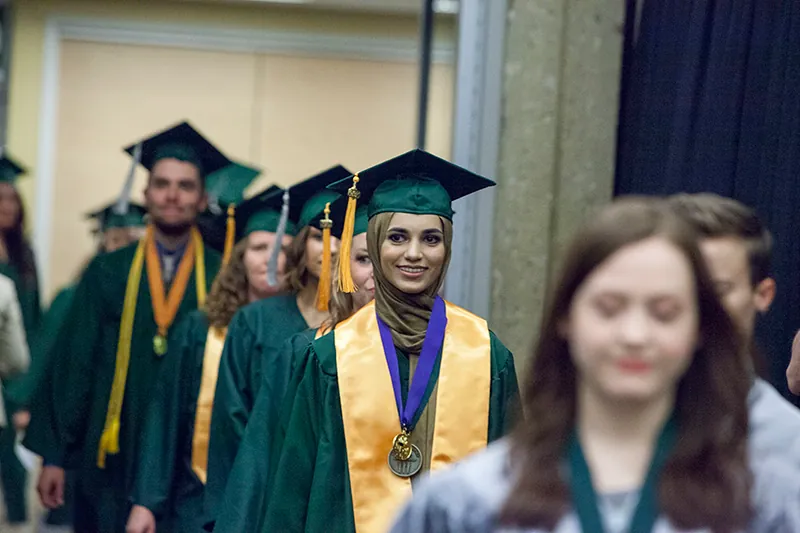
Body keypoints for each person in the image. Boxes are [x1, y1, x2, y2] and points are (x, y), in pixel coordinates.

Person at [389, 198, 800, 533]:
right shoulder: (464, 505)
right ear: (566, 317)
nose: (635, 334)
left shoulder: (763, 506)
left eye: (665, 312)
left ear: (699, 328)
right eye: (608, 308)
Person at [261, 149, 520, 533]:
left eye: (431, 238)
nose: (414, 254)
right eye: (397, 237)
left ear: (447, 248)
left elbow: (513, 484)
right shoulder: (330, 357)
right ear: (377, 243)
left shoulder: (486, 354)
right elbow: (291, 491)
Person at [34, 121, 226, 532]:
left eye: (185, 186)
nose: (172, 195)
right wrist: (54, 456)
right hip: (109, 452)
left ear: (202, 198)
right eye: (162, 184)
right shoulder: (108, 271)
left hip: (188, 459)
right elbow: (75, 364)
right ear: (146, 195)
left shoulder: (221, 276)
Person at [126, 182, 293, 533]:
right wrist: (146, 500)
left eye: (282, 249)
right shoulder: (201, 328)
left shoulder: (307, 333)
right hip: (195, 497)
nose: (270, 257)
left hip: (274, 499)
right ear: (240, 256)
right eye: (259, 247)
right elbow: (165, 414)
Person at [211, 204, 374, 533]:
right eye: (320, 236)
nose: (330, 248)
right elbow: (245, 431)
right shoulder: (291, 340)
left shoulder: (373, 341)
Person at [23, 195, 147, 530]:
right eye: (118, 238)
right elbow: (55, 363)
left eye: (134, 239)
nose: (125, 245)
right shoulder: (76, 295)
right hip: (89, 432)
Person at [668, 193, 800, 464]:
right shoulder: (576, 430)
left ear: (762, 294)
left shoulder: (787, 446)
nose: (692, 305)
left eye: (716, 290)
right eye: (673, 286)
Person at [0, 152, 41, 527]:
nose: (7, 206)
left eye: (12, 198)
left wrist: (26, 390)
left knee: (15, 464)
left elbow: (34, 324)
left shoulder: (24, 256)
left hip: (16, 370)